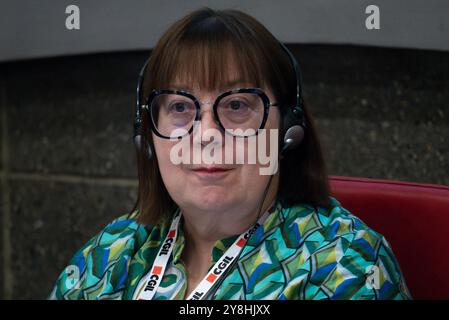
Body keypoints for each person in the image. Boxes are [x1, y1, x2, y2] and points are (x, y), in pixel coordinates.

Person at [49, 7, 411, 300]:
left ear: (288, 131)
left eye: (237, 105)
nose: (207, 135)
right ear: (147, 140)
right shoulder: (113, 253)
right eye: (179, 108)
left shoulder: (343, 264)